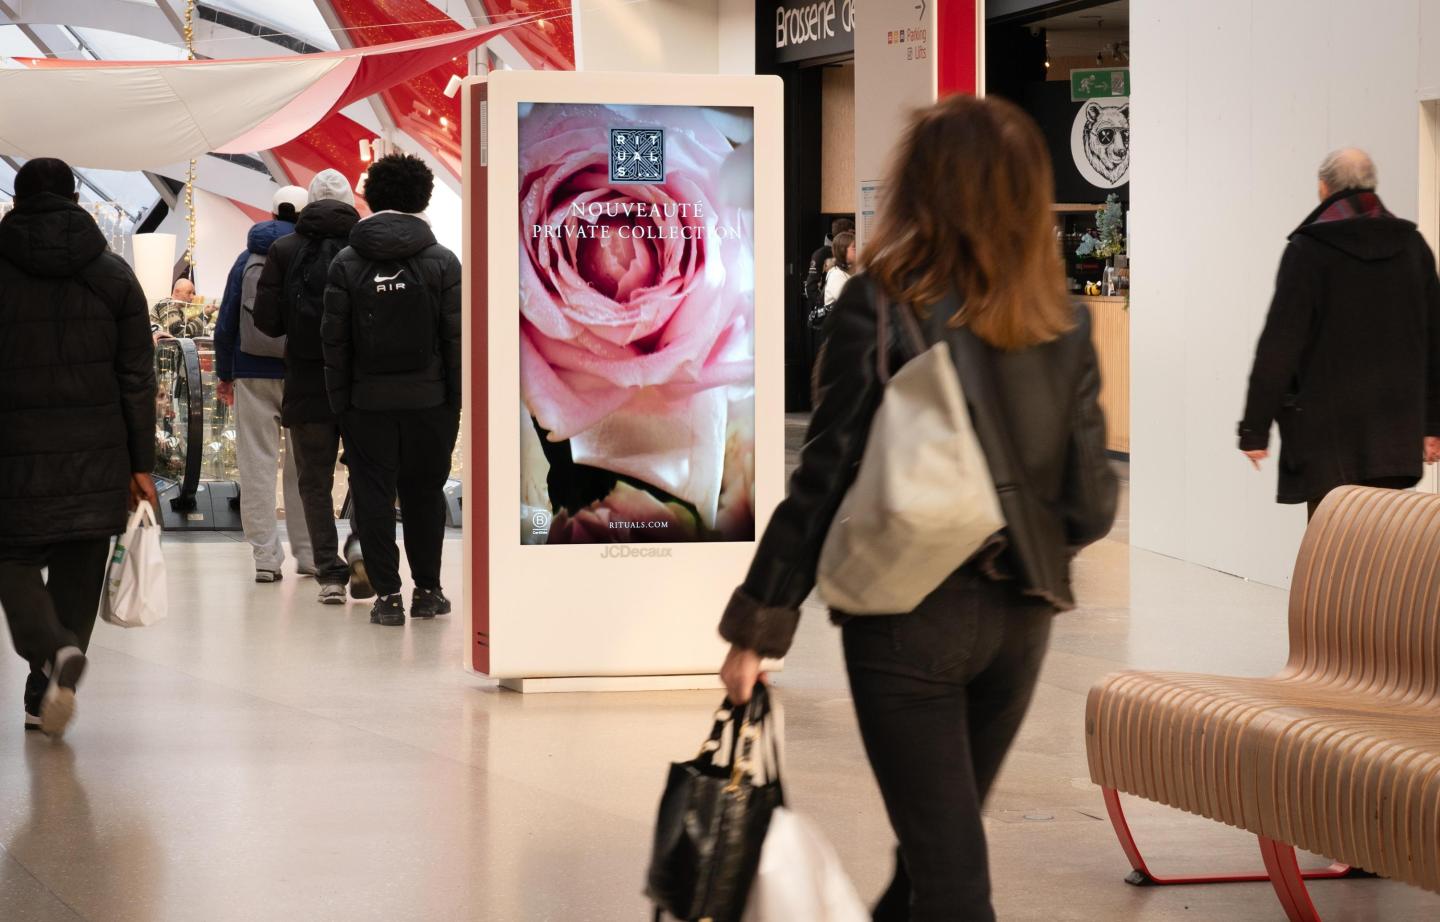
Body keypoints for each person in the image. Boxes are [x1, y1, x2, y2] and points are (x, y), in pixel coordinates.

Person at [717, 96, 1117, 921]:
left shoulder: (883, 303)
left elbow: (825, 475)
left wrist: (759, 625)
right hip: (1022, 618)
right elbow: (1091, 502)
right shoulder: (1066, 321)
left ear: (922, 188)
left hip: (908, 619)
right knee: (937, 855)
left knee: (948, 874)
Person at [0, 158, 158, 738]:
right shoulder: (114, 275)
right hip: (98, 451)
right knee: (78, 565)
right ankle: (49, 686)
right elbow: (137, 378)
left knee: (10, 559)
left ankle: (50, 653)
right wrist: (141, 465)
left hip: (12, 453)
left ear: (17, 201)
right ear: (75, 198)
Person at [1239, 148, 1440, 518]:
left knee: (1332, 558)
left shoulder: (1310, 251)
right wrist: (1432, 425)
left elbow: (1279, 345)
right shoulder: (1414, 248)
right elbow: (1434, 343)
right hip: (1395, 439)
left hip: (1326, 443)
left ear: (1323, 188)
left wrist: (1254, 429)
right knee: (1384, 552)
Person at [322, 154, 462, 627]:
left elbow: (334, 343)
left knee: (373, 496)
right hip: (430, 402)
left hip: (367, 403)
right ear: (423, 197)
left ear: (371, 196)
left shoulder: (347, 262)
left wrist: (342, 404)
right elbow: (456, 339)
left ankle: (388, 598)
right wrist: (454, 401)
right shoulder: (442, 261)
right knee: (424, 494)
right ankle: (429, 590)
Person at [253, 170, 371, 606]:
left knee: (314, 481)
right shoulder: (365, 247)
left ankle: (329, 574)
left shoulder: (284, 249)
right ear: (350, 204)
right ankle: (360, 545)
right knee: (367, 471)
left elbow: (266, 321)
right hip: (360, 383)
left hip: (305, 381)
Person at [214, 185, 315, 583]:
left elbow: (226, 321)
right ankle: (308, 554)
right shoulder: (312, 252)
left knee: (256, 465)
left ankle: (265, 558)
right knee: (302, 466)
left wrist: (226, 373)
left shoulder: (248, 257)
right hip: (302, 372)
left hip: (252, 371)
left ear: (273, 212)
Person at [805, 216, 854, 316]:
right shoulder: (821, 254)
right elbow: (811, 287)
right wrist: (824, 307)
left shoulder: (850, 256)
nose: (855, 236)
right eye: (852, 233)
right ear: (844, 235)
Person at [821, 230, 857, 315]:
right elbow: (850, 302)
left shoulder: (849, 271)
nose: (858, 249)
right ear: (843, 250)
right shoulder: (836, 275)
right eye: (854, 247)